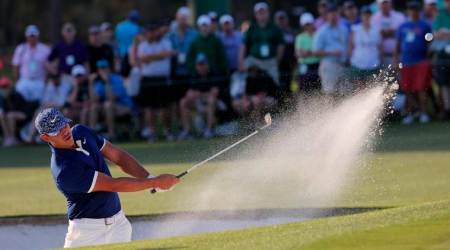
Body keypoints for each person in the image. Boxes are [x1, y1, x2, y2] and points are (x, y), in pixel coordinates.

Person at [34, 107, 180, 248]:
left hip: (119, 225)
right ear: (45, 137)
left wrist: (150, 177)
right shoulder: (64, 170)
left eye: (64, 125)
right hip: (86, 233)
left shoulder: (81, 132)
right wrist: (155, 182)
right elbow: (113, 185)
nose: (64, 131)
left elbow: (118, 157)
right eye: (56, 131)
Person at [394, 1, 432, 124]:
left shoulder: (425, 25)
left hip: (421, 61)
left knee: (421, 88)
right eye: (411, 9)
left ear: (418, 11)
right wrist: (396, 60)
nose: (413, 12)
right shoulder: (403, 26)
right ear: (408, 11)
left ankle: (424, 113)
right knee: (408, 89)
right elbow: (398, 45)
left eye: (415, 9)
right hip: (406, 62)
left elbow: (429, 43)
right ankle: (410, 113)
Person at [137, 22, 176, 142]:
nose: (150, 34)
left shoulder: (166, 42)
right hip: (148, 79)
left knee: (165, 107)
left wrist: (150, 57)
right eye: (148, 32)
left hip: (162, 79)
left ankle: (168, 132)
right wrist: (160, 56)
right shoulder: (142, 45)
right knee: (150, 108)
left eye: (152, 32)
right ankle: (152, 133)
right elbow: (142, 58)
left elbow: (169, 53)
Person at [179, 54, 225, 140]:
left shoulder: (215, 74)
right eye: (199, 65)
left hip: (217, 104)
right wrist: (200, 94)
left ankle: (209, 130)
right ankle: (187, 131)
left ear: (207, 65)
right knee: (183, 102)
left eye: (203, 64)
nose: (201, 67)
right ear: (196, 66)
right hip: (200, 103)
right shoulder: (194, 76)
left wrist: (199, 94)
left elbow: (215, 93)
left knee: (211, 100)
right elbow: (189, 94)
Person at [239, 2, 285, 86]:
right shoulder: (251, 28)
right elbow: (243, 45)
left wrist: (277, 60)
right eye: (259, 13)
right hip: (254, 59)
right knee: (240, 75)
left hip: (270, 60)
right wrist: (241, 62)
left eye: (264, 12)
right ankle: (237, 96)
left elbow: (281, 46)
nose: (262, 15)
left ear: (268, 13)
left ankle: (276, 96)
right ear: (255, 15)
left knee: (275, 81)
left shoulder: (275, 28)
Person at [313, 3, 349, 96]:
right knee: (330, 94)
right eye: (331, 13)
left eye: (335, 13)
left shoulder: (344, 29)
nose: (333, 15)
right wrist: (331, 52)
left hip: (344, 65)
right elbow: (316, 51)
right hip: (329, 65)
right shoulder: (321, 31)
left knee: (345, 94)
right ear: (327, 15)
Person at [93, 60, 134, 139]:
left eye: (104, 68)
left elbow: (112, 98)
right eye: (100, 69)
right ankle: (93, 136)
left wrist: (107, 82)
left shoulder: (117, 79)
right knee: (94, 107)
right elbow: (95, 99)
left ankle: (111, 135)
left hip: (125, 106)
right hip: (111, 107)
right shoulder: (99, 81)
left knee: (108, 105)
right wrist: (91, 83)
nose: (102, 70)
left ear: (109, 69)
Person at [167, 7, 198, 108]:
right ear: (177, 18)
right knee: (175, 101)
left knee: (188, 101)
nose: (183, 21)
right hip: (174, 72)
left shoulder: (194, 34)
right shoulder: (170, 36)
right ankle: (178, 122)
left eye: (185, 18)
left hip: (190, 72)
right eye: (181, 18)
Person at [12, 25, 50, 105]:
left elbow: (49, 66)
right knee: (21, 101)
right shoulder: (21, 49)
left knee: (38, 103)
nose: (32, 38)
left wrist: (46, 80)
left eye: (34, 35)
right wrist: (17, 80)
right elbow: (16, 65)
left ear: (37, 36)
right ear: (27, 36)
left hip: (39, 81)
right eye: (30, 36)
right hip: (24, 80)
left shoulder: (45, 49)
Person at [348, 6, 382, 89]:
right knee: (359, 90)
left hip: (373, 64)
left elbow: (380, 47)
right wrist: (351, 59)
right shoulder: (355, 29)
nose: (367, 17)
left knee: (371, 89)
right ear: (361, 16)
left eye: (368, 15)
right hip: (357, 63)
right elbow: (350, 46)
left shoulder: (377, 29)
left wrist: (380, 60)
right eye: (364, 15)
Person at [47, 23, 88, 87]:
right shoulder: (59, 46)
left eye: (70, 31)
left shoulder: (81, 46)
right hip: (63, 77)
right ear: (63, 33)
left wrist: (85, 75)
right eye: (67, 31)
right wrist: (55, 73)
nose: (69, 33)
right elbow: (48, 61)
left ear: (74, 32)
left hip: (78, 77)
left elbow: (86, 62)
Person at [370, 0, 405, 65]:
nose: (385, 5)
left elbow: (403, 35)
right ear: (378, 5)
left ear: (391, 3)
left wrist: (384, 33)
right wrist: (393, 32)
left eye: (386, 3)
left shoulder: (400, 16)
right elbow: (374, 36)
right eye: (383, 3)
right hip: (380, 58)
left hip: (398, 56)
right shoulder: (373, 18)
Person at [431, 0, 450, 119]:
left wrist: (446, 32)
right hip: (442, 54)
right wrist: (442, 33)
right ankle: (448, 110)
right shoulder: (440, 15)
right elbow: (436, 34)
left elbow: (442, 33)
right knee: (444, 84)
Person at [295, 12, 321, 94]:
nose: (308, 26)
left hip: (317, 65)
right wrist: (313, 52)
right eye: (306, 24)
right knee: (304, 92)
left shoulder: (318, 35)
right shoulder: (300, 37)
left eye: (309, 24)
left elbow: (320, 52)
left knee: (317, 91)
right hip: (304, 67)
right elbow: (299, 54)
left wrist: (307, 52)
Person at [274, 10, 296, 93]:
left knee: (289, 87)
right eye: (279, 19)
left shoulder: (291, 32)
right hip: (276, 64)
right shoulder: (273, 33)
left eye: (282, 19)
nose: (281, 21)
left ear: (287, 20)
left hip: (289, 65)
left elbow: (295, 47)